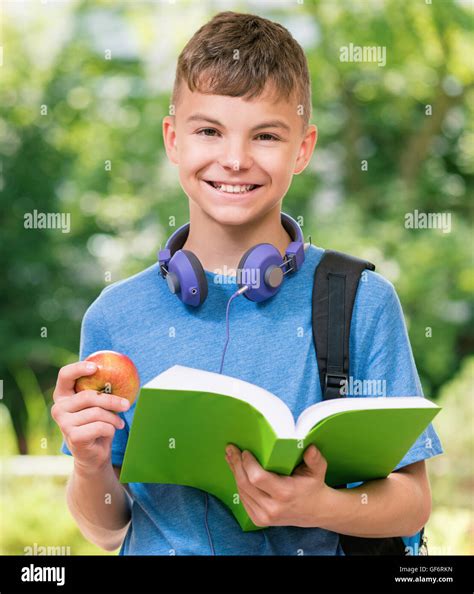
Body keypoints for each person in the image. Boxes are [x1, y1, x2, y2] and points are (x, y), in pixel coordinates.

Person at [52, 11, 443, 555]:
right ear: (173, 140)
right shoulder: (114, 316)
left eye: (264, 136)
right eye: (209, 130)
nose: (234, 160)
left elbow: (413, 502)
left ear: (302, 150)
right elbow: (107, 529)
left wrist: (316, 505)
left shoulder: (360, 301)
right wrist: (90, 465)